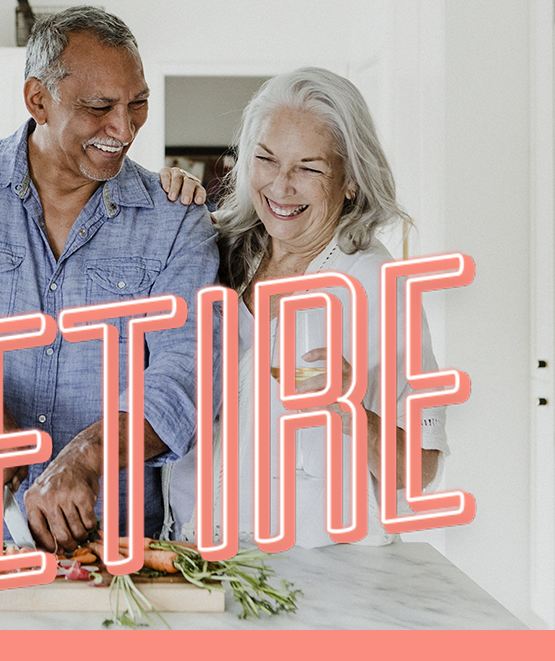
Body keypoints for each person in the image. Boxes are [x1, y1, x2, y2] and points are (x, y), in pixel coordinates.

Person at [0, 6, 218, 552]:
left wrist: (88, 456)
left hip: (121, 551)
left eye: (138, 104)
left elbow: (189, 376)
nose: (124, 129)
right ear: (38, 100)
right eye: (99, 108)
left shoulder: (176, 218)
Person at [162, 67, 448, 547]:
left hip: (314, 579)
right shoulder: (218, 252)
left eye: (309, 168)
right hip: (193, 551)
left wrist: (347, 407)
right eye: (266, 159)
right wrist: (161, 201)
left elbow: (421, 470)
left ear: (350, 181)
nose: (281, 186)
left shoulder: (377, 285)